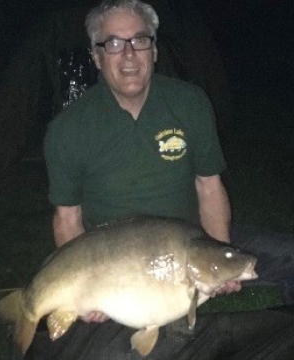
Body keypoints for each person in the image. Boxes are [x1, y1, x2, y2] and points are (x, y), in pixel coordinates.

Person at [20, 0, 294, 359]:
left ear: (155, 49)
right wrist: (86, 292)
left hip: (191, 239)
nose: (129, 55)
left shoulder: (190, 103)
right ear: (96, 56)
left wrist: (219, 253)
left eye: (140, 40)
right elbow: (67, 218)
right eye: (114, 43)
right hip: (115, 256)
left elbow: (209, 186)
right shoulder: (67, 131)